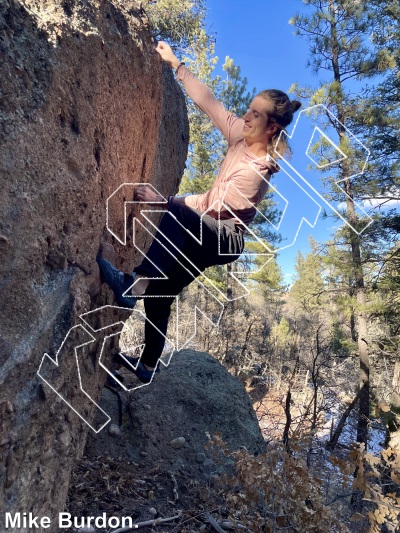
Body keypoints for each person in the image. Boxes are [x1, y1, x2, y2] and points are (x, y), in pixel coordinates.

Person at [97, 41, 301, 384]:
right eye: (248, 109)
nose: (246, 116)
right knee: (160, 294)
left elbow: (210, 207)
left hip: (223, 239)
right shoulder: (240, 134)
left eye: (255, 114)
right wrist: (175, 63)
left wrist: (164, 201)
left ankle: (131, 286)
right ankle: (146, 369)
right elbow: (209, 102)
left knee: (178, 214)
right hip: (204, 231)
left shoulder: (257, 172)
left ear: (272, 128)